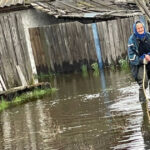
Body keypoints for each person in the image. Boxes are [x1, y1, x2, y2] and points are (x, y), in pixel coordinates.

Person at [128, 20, 150, 102]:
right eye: (138, 28)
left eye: (141, 28)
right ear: (135, 29)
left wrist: (149, 56)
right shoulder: (132, 40)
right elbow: (131, 57)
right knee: (144, 82)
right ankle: (142, 102)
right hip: (139, 64)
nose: (140, 29)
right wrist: (142, 59)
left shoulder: (148, 36)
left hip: (149, 61)